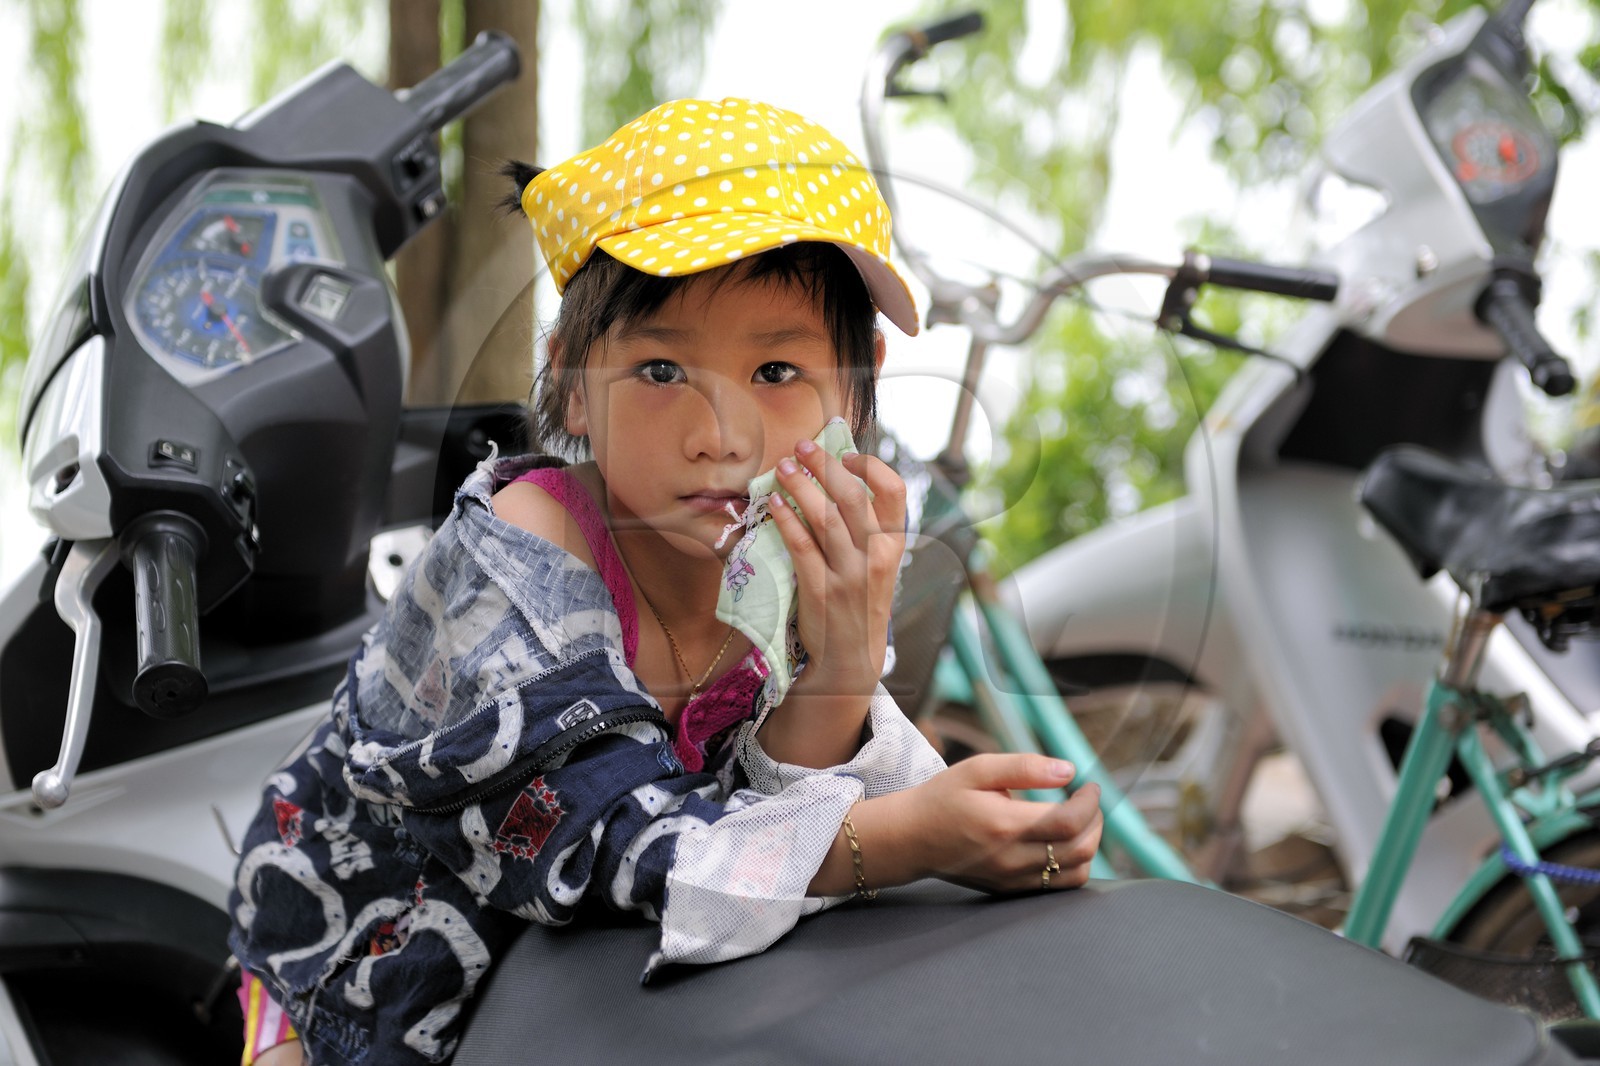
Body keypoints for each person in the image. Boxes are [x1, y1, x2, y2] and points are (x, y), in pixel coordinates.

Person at [228, 96, 1103, 1066]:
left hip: (569, 997)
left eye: (777, 370)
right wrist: (897, 839)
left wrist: (842, 668)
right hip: (357, 971)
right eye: (660, 371)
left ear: (856, 390)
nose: (719, 435)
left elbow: (777, 801)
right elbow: (608, 842)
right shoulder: (520, 558)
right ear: (572, 382)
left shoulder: (782, 563)